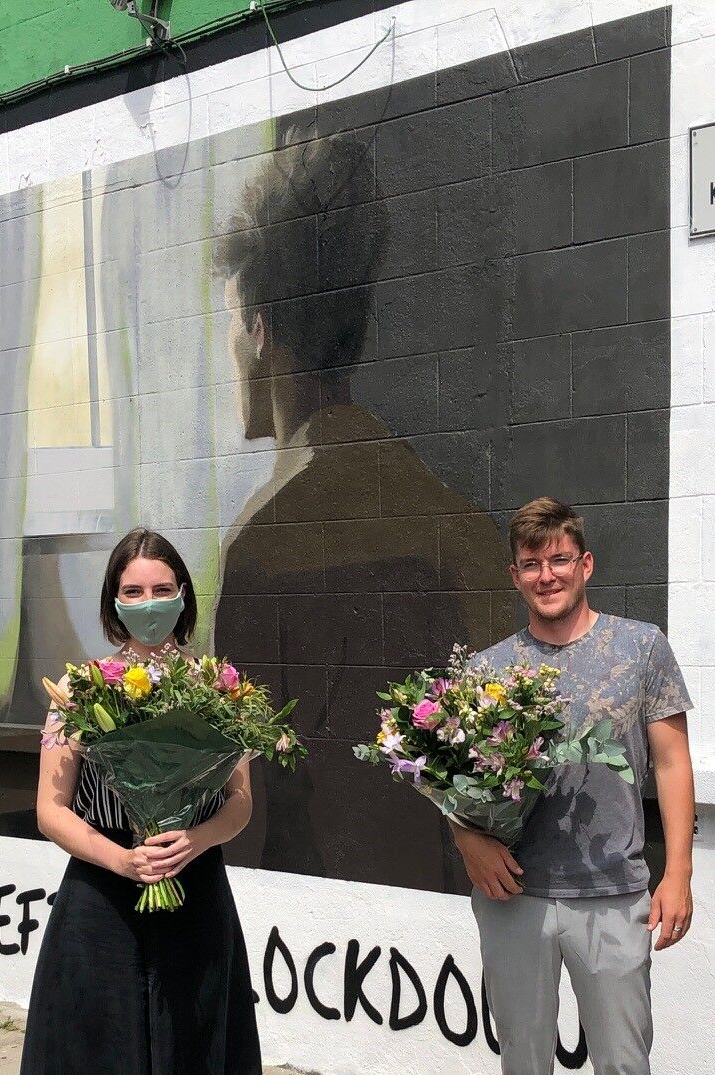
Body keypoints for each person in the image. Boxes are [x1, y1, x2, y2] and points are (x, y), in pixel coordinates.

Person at [210, 124, 510, 889]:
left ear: (260, 332)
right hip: (448, 900)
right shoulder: (454, 519)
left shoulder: (262, 544)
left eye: (233, 326)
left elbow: (249, 798)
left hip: (314, 922)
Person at [0, 528, 275, 1075]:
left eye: (161, 589)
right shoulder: (80, 691)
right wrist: (121, 857)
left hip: (192, 896)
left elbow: (239, 803)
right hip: (102, 902)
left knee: (182, 1064)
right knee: (102, 1073)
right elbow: (49, 808)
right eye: (133, 591)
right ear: (113, 602)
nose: (149, 603)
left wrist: (195, 838)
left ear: (184, 596)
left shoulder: (219, 688)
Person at [456, 497, 704, 1075]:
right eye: (532, 563)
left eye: (559, 558)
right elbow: (449, 773)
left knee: (624, 1067)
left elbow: (672, 762)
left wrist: (678, 871)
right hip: (516, 895)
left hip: (614, 891)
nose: (547, 574)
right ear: (514, 574)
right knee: (523, 1066)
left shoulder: (641, 648)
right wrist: (467, 840)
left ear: (585, 563)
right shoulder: (489, 669)